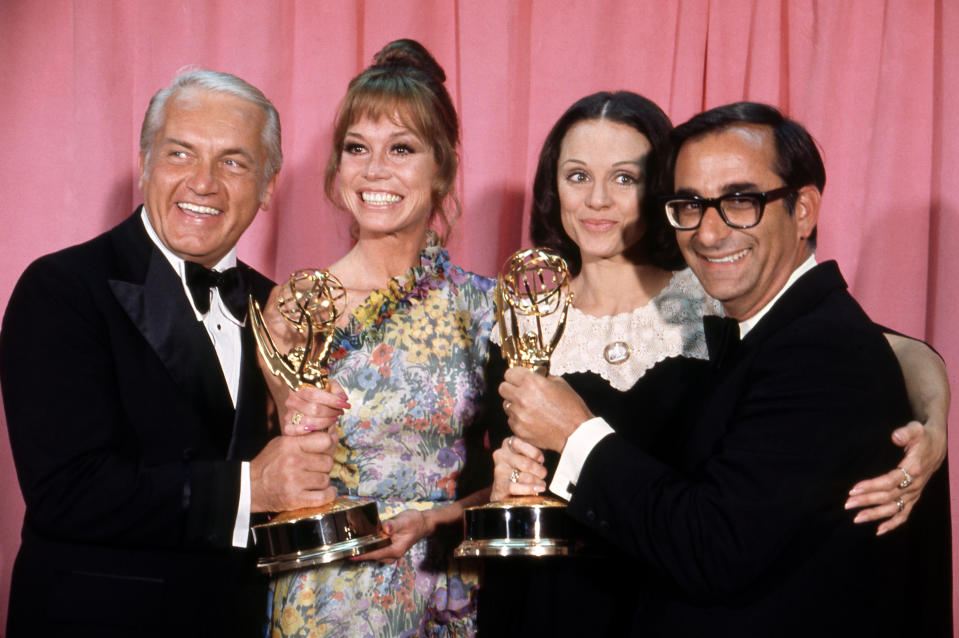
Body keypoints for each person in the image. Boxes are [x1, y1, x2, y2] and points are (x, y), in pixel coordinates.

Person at [496, 102, 950, 636]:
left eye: (741, 201)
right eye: (690, 204)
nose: (710, 233)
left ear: (803, 210)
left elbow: (714, 543)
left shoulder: (759, 322)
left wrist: (935, 418)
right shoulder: (761, 317)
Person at [0, 70, 338, 637]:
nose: (203, 183)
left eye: (233, 162)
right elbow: (68, 490)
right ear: (145, 163)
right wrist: (252, 487)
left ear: (268, 186)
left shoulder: (276, 305)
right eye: (181, 153)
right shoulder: (61, 287)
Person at [266, 40, 494, 637]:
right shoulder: (298, 305)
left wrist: (437, 519)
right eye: (357, 149)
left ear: (441, 167)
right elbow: (280, 472)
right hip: (322, 598)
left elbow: (520, 482)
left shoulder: (486, 306)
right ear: (337, 167)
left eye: (402, 149)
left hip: (441, 593)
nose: (374, 171)